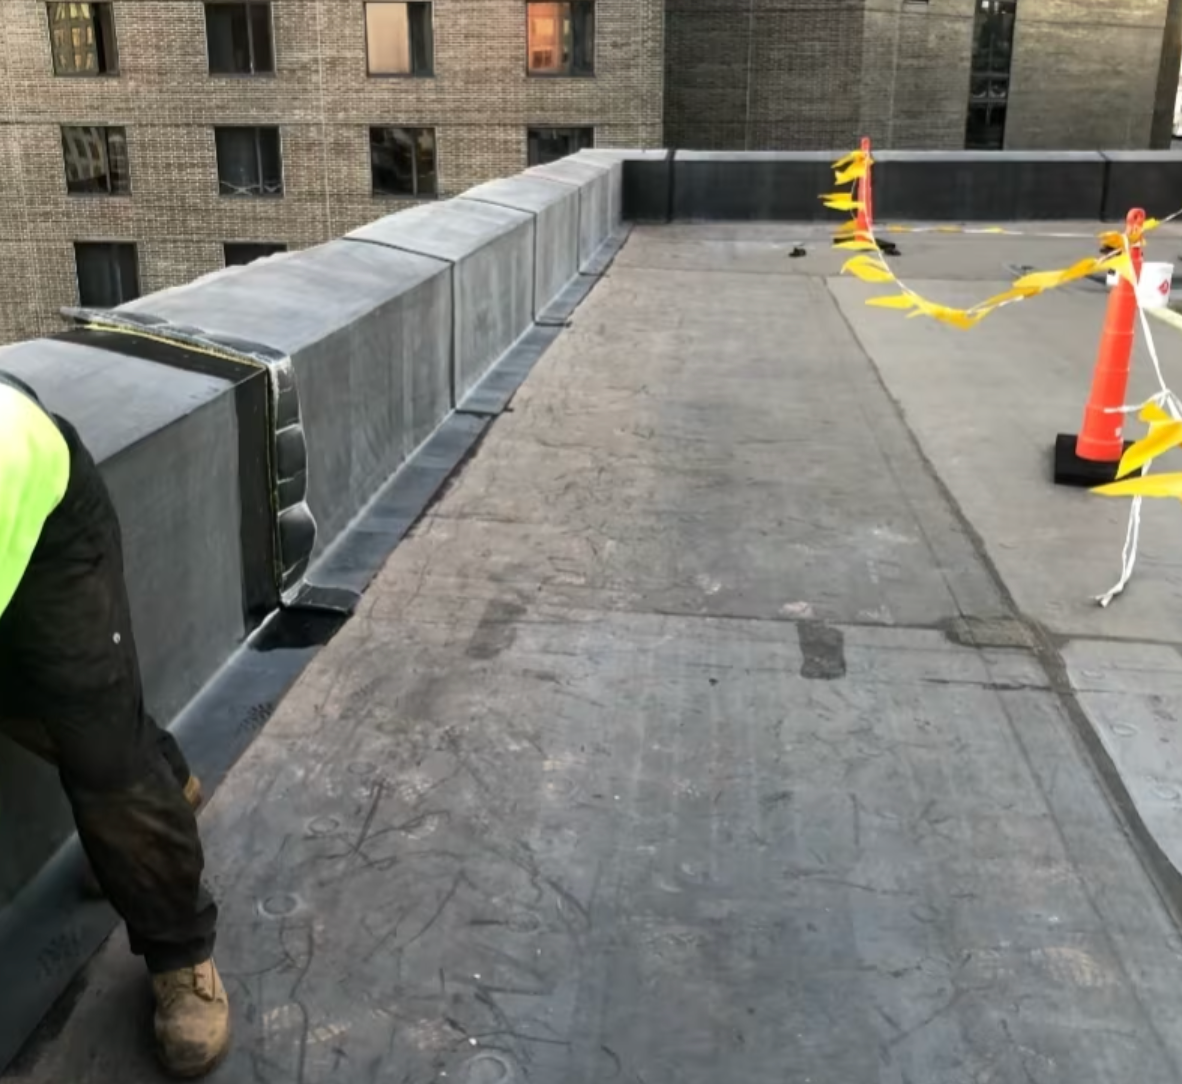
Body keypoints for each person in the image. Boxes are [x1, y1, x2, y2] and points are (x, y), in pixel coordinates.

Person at [0, 371, 230, 1078]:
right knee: (24, 708)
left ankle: (180, 953)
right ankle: (174, 783)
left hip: (48, 522)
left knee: (101, 749)